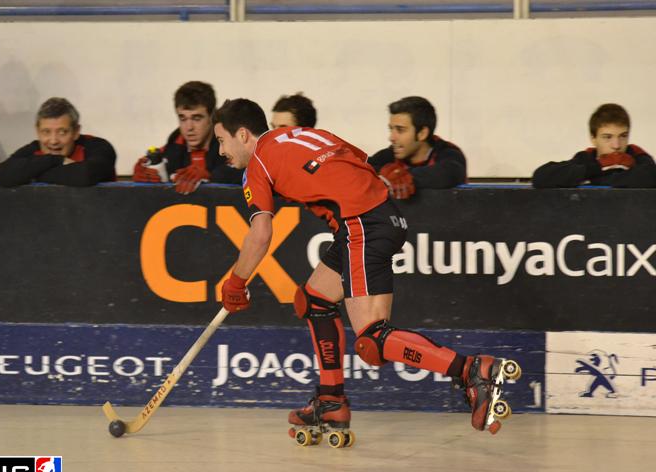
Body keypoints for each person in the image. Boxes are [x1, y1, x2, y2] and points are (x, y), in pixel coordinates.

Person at [214, 98, 520, 442]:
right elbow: (361, 162)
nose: (221, 151)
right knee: (314, 300)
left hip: (361, 224)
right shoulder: (302, 135)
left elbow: (260, 234)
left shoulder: (257, 163)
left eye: (222, 141)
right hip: (375, 218)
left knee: (372, 339)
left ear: (243, 134)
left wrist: (236, 282)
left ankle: (471, 370)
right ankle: (330, 401)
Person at [131, 81, 242, 194]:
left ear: (212, 117)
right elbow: (155, 162)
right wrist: (144, 172)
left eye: (197, 118)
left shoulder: (231, 142)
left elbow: (246, 170)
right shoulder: (173, 145)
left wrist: (212, 177)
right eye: (183, 119)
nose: (189, 128)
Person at [0, 98, 116, 187]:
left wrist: (32, 175)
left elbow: (85, 176)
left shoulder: (98, 147)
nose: (53, 141)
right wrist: (56, 160)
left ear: (76, 132)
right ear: (37, 131)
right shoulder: (34, 149)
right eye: (46, 132)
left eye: (62, 132)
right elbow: (3, 175)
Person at [532, 103, 656, 188]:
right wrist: (598, 166)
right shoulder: (587, 158)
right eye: (607, 137)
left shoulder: (636, 155)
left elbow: (652, 176)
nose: (616, 145)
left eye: (623, 136)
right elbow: (540, 177)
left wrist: (594, 179)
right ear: (593, 138)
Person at [368, 96, 466, 200]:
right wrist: (384, 172)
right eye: (391, 129)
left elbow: (449, 173)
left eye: (400, 130)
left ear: (422, 133)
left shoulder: (450, 154)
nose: (391, 138)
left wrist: (406, 177)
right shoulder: (389, 155)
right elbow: (364, 168)